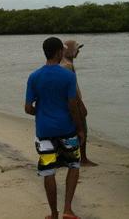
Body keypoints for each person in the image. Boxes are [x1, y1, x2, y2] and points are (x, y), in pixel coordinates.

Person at [25, 37, 85, 219]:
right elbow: (73, 106)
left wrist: (42, 113)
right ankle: (68, 208)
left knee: (48, 171)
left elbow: (28, 108)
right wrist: (80, 128)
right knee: (74, 165)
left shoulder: (34, 76)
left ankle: (53, 213)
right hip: (67, 129)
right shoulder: (68, 76)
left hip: (44, 132)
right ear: (59, 52)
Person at [61, 40, 98, 167]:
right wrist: (80, 104)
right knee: (82, 129)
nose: (78, 51)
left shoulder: (66, 63)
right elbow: (71, 89)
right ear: (69, 50)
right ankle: (83, 158)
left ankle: (72, 156)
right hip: (73, 102)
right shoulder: (67, 65)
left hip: (68, 102)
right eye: (77, 49)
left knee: (71, 130)